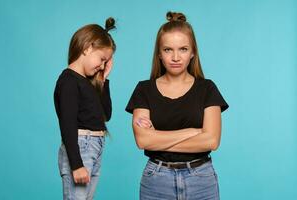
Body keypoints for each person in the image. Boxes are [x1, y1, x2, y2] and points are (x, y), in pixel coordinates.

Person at [126, 11, 228, 200]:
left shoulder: (207, 88)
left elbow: (211, 141)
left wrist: (158, 138)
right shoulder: (144, 90)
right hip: (156, 180)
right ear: (159, 54)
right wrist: (193, 132)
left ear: (192, 53)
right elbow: (143, 141)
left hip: (201, 180)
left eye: (182, 49)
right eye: (167, 50)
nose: (175, 57)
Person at [54, 18, 116, 200]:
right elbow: (67, 123)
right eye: (102, 59)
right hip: (81, 147)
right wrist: (76, 164)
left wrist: (104, 79)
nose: (102, 65)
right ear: (87, 48)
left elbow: (106, 115)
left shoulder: (88, 83)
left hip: (94, 147)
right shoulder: (68, 81)